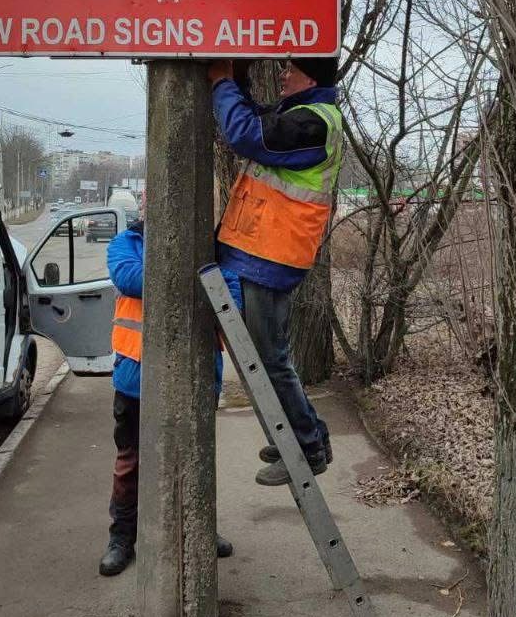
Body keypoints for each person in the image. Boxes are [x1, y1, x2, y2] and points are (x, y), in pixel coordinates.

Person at [207, 55, 342, 487]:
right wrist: (234, 77)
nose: (283, 74)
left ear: (310, 77)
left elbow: (245, 133)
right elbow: (253, 117)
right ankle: (306, 437)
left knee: (268, 360)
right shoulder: (296, 116)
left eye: (290, 68)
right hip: (259, 253)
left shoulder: (313, 123)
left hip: (269, 257)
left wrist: (220, 84)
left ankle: (305, 448)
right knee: (265, 358)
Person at [99, 217, 242, 577]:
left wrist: (188, 278)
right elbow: (131, 280)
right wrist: (193, 277)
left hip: (198, 378)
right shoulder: (126, 243)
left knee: (195, 459)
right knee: (131, 462)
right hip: (137, 380)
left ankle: (199, 531)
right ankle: (121, 539)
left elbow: (231, 297)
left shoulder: (213, 250)